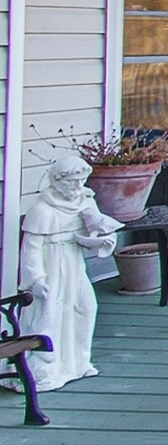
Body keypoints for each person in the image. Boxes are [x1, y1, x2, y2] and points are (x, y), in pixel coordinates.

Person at [19, 152, 120, 391]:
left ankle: (79, 361)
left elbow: (97, 230)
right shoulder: (42, 210)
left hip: (74, 262)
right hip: (51, 265)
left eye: (81, 181)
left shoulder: (85, 202)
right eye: (71, 182)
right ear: (57, 181)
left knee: (85, 307)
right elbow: (31, 249)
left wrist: (101, 240)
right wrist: (36, 279)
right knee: (49, 314)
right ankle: (45, 367)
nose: (77, 187)